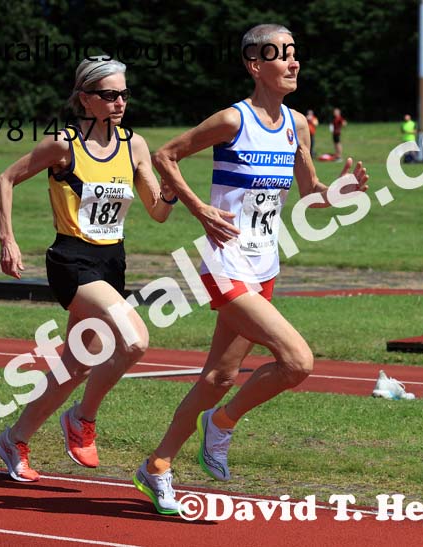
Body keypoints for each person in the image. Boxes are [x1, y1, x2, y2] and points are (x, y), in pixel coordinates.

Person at [132, 24, 369, 515]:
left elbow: (311, 194)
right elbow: (164, 155)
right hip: (224, 262)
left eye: (294, 53)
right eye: (279, 55)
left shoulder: (297, 125)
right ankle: (222, 424)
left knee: (219, 375)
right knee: (297, 360)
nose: (293, 62)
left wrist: (343, 190)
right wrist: (199, 209)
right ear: (255, 65)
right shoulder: (230, 120)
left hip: (264, 262)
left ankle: (157, 465)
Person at [0, 57, 176, 481]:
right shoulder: (63, 144)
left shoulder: (135, 146)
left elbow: (157, 212)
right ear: (84, 99)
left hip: (112, 261)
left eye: (124, 94)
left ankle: (14, 439)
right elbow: (5, 178)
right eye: (109, 95)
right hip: (71, 260)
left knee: (76, 365)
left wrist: (169, 194)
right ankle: (82, 419)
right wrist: (8, 239)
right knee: (134, 341)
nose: (119, 103)